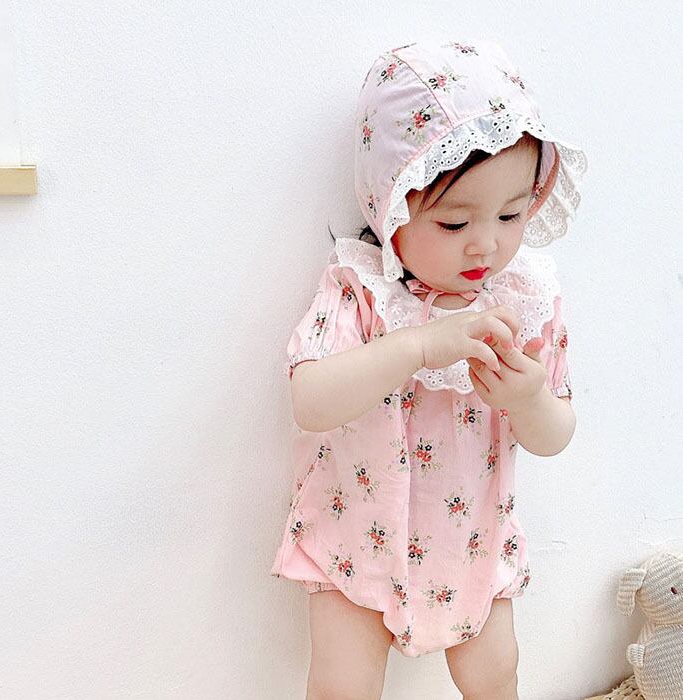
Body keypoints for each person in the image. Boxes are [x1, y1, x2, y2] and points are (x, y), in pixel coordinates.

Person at [270, 38, 588, 700]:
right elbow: (310, 400)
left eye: (510, 214)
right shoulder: (360, 290)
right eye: (453, 223)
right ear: (389, 207)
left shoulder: (523, 300)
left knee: (495, 673)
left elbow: (555, 434)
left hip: (471, 540)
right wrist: (416, 348)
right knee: (342, 685)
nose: (486, 243)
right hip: (354, 537)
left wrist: (528, 397)